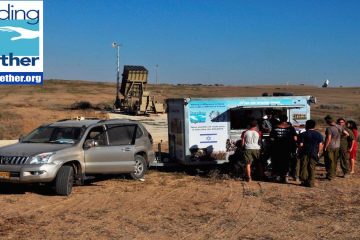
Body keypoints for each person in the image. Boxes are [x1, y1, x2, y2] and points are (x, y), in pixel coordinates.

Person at [270, 114, 297, 183]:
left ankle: (278, 176)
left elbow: (272, 138)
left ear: (279, 119)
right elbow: (295, 138)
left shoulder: (275, 127)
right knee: (287, 162)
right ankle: (286, 177)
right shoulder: (291, 128)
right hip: (288, 148)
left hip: (277, 148)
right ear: (287, 119)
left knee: (278, 162)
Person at [298, 120, 324, 187]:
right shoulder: (318, 134)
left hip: (305, 153)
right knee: (312, 168)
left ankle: (304, 180)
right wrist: (318, 152)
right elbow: (321, 145)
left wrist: (299, 151)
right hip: (314, 153)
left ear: (306, 125)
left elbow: (301, 145)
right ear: (314, 126)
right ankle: (311, 183)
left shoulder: (303, 134)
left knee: (304, 167)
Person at [323, 115, 349, 180]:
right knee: (334, 161)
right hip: (337, 146)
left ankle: (331, 175)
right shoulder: (339, 127)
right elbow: (347, 134)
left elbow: (329, 138)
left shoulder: (329, 128)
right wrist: (340, 137)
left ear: (328, 121)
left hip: (330, 146)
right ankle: (332, 174)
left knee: (330, 161)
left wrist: (325, 147)